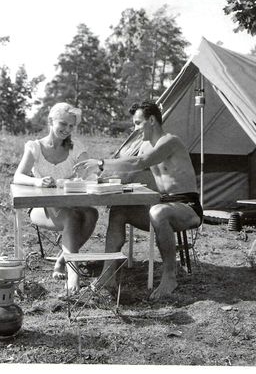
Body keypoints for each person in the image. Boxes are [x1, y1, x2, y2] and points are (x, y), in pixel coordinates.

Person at [73, 100, 203, 300]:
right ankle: (108, 274)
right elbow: (132, 170)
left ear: (151, 120)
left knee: (158, 212)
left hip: (187, 207)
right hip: (163, 204)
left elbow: (139, 162)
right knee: (120, 210)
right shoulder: (144, 145)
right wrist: (100, 179)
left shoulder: (170, 141)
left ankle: (170, 276)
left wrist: (100, 163)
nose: (135, 129)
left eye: (137, 123)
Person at [13, 102, 98, 294]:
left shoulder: (76, 148)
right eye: (63, 124)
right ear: (51, 121)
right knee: (71, 217)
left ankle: (61, 260)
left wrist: (85, 175)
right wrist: (37, 182)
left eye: (71, 126)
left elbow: (91, 172)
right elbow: (18, 176)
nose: (67, 130)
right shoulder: (35, 147)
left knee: (92, 214)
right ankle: (73, 274)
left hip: (72, 203)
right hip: (41, 208)